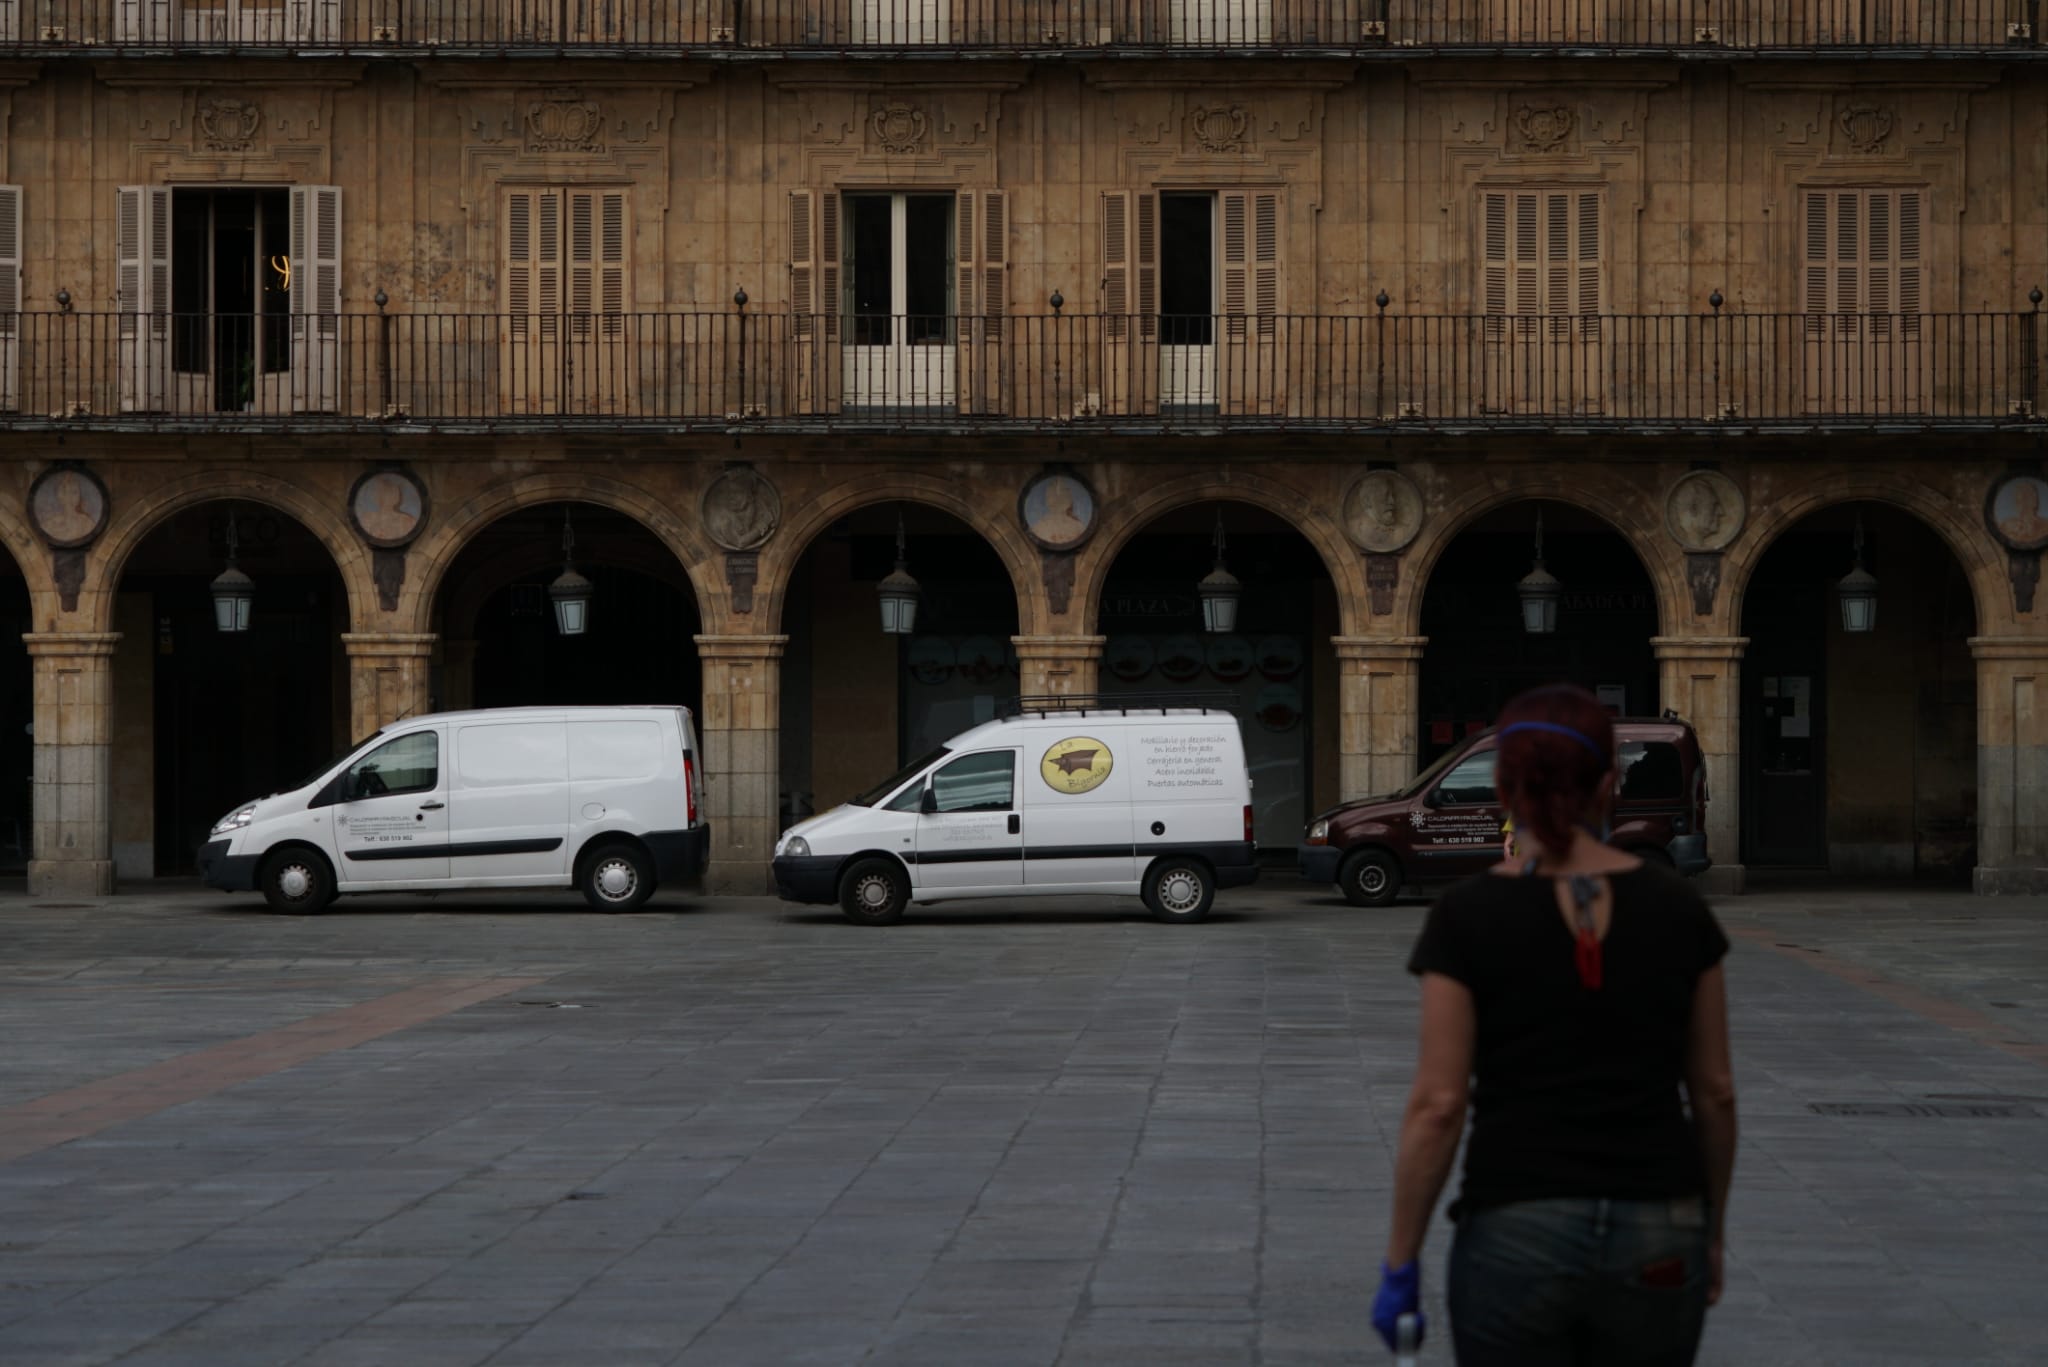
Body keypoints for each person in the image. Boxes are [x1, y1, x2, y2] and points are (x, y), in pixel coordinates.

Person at [1372, 684, 1738, 1365]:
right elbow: (1714, 1092)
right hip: (1658, 1222)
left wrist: (1401, 1259)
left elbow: (1439, 1103)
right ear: (1608, 785)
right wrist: (1709, 1229)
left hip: (1516, 1222)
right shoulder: (1678, 908)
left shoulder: (1468, 914)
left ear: (1503, 789)